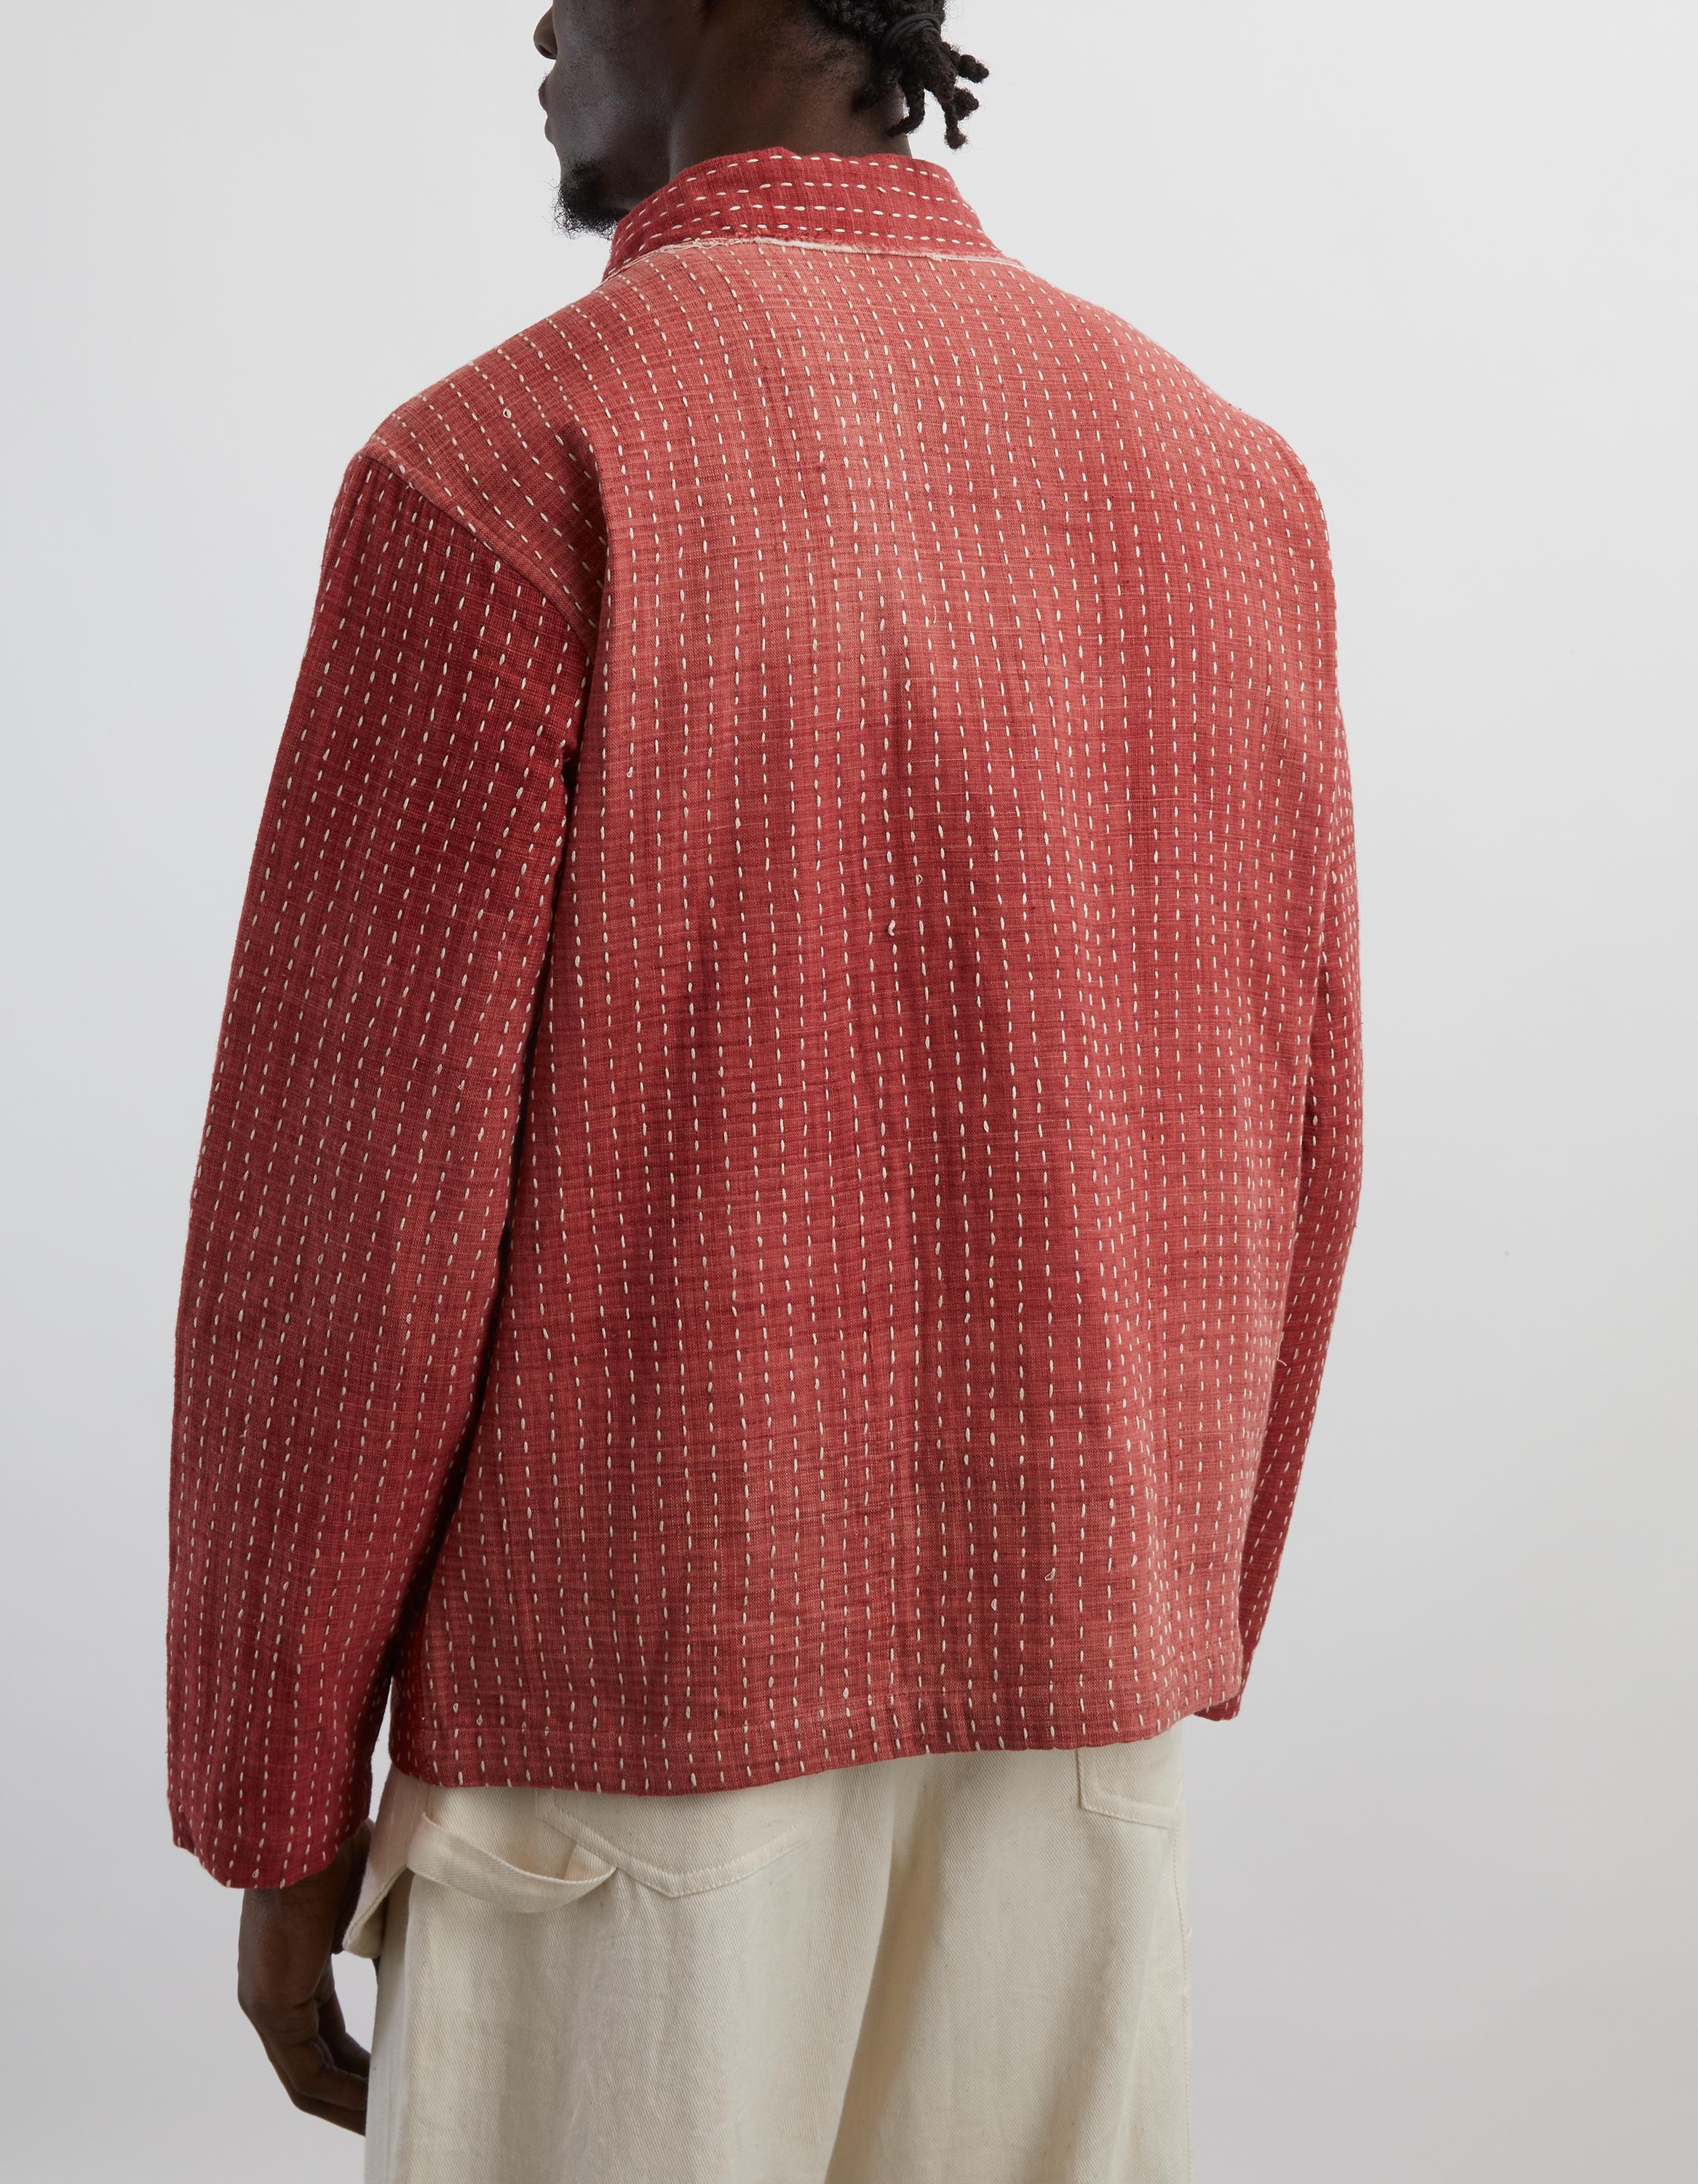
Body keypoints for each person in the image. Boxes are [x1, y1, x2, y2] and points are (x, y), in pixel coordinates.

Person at [166, 3, 1365, 2177]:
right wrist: (1175, 1591)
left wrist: (276, 1801)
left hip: (619, 1752)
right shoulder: (1224, 479)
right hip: (1080, 1728)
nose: (539, 20)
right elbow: (1305, 1125)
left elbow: (343, 1219)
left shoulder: (505, 469)